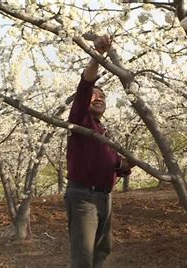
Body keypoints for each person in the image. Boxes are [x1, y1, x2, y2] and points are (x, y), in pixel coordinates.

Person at [64, 35, 134, 268]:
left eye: (103, 96)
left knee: (102, 252)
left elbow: (108, 162)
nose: (99, 98)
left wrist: (122, 165)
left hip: (105, 196)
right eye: (95, 95)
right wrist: (98, 56)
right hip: (84, 197)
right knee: (83, 258)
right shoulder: (80, 120)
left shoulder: (103, 130)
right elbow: (84, 86)